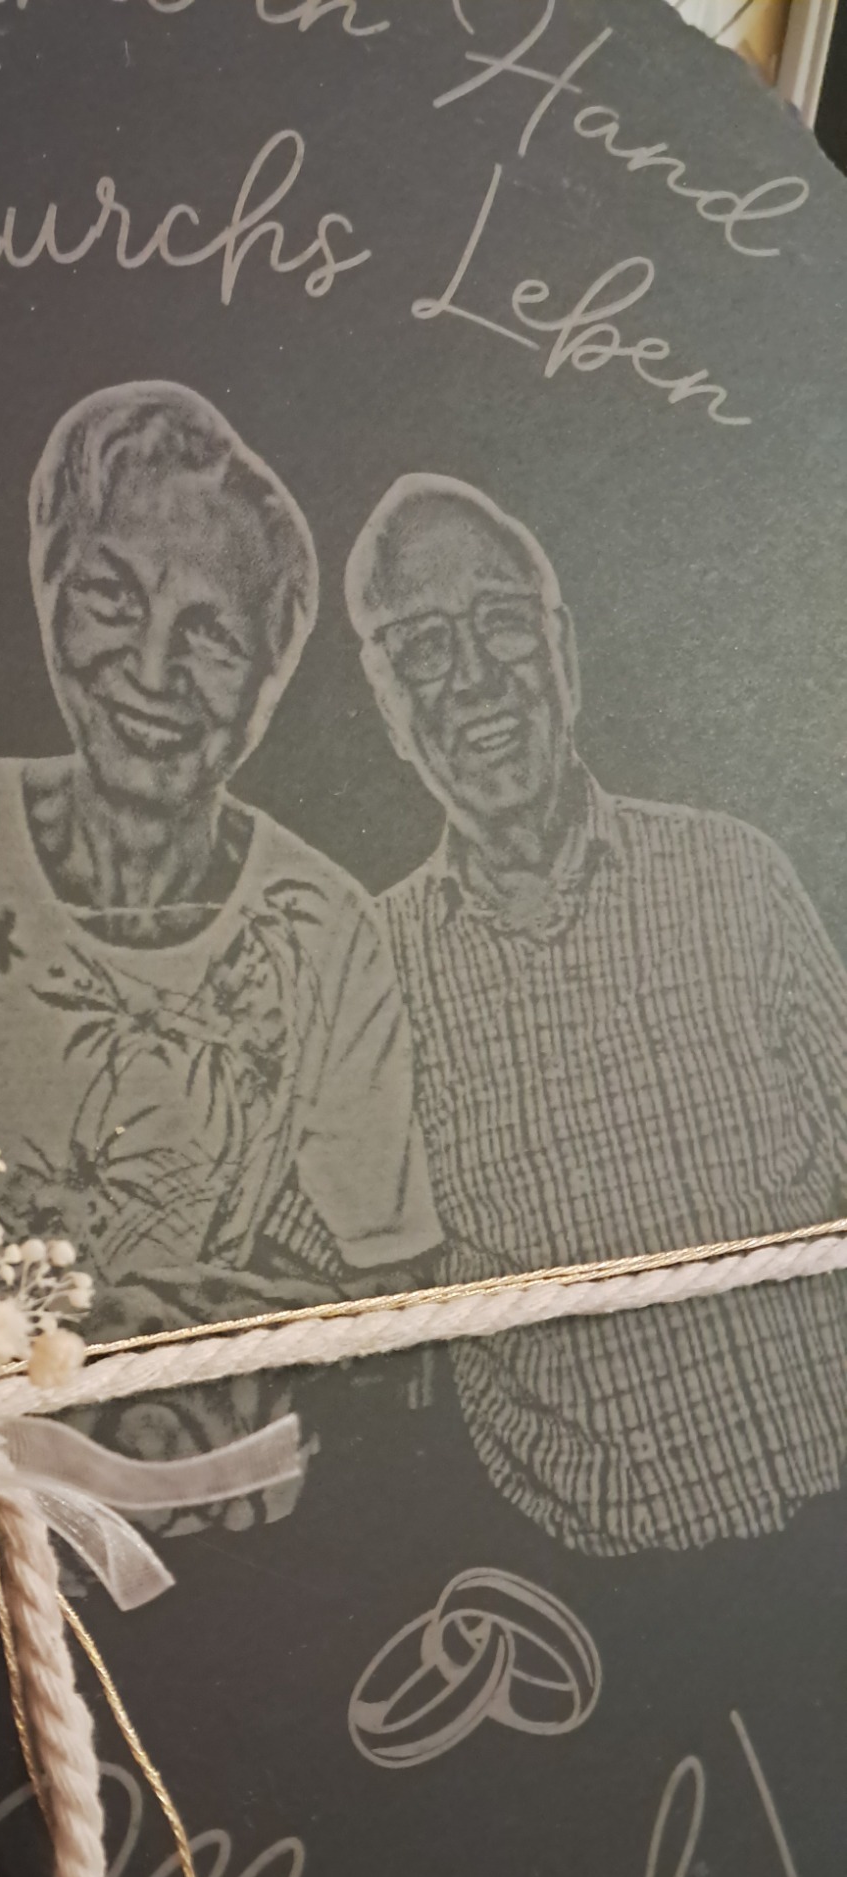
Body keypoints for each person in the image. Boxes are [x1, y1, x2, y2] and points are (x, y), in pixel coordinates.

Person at [345, 471, 847, 1557]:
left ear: (562, 650)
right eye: (423, 649)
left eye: (502, 623)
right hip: (599, 1585)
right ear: (387, 708)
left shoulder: (735, 873)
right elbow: (362, 1303)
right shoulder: (360, 980)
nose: (475, 677)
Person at [0, 381, 440, 1353]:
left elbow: (396, 1286)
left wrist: (202, 1325)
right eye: (114, 597)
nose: (154, 671)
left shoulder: (322, 926)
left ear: (272, 675)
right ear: (49, 589)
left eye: (212, 634)